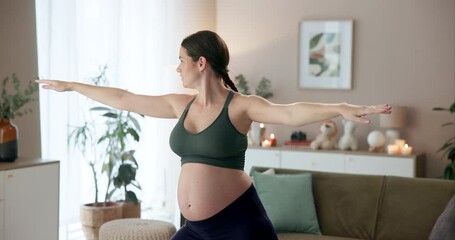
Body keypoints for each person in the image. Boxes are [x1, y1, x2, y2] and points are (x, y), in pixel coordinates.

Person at [36, 30, 391, 240]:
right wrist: (71, 86)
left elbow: (289, 112)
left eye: (181, 60)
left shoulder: (240, 106)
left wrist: (341, 107)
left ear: (201, 63)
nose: (177, 67)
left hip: (239, 226)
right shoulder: (181, 105)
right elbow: (126, 99)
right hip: (195, 229)